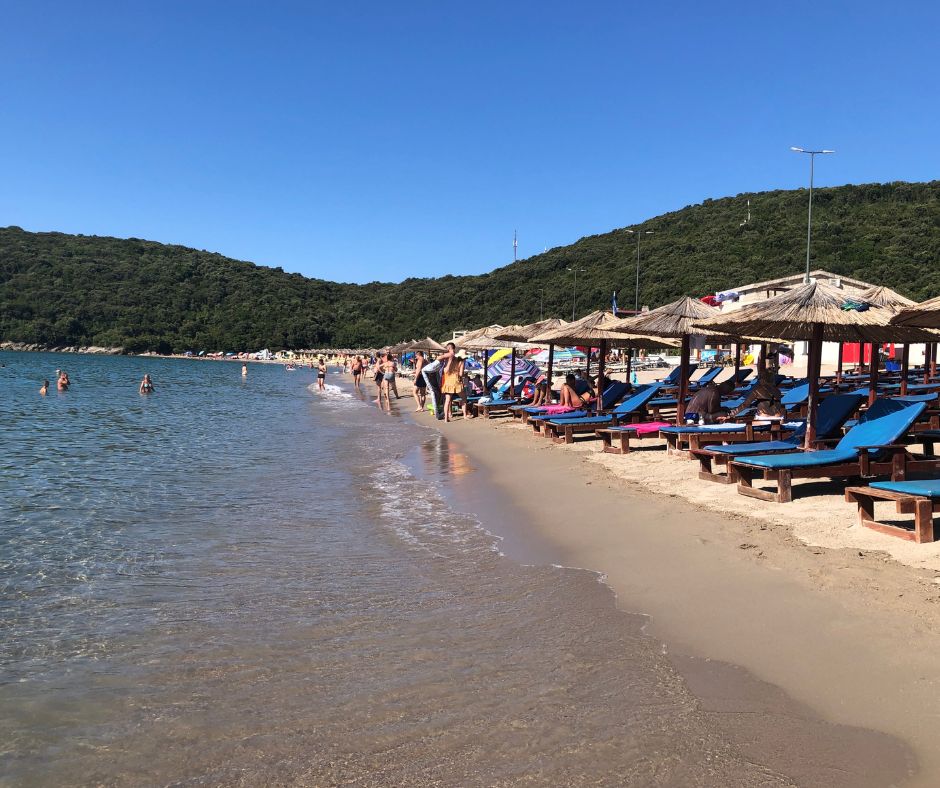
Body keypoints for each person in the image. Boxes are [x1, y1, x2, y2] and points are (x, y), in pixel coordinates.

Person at [440, 342, 469, 421]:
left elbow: (446, 370)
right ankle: (465, 415)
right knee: (464, 398)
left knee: (447, 400)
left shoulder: (452, 359)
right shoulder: (461, 362)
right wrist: (465, 376)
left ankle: (446, 418)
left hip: (448, 381)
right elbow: (461, 373)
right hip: (456, 381)